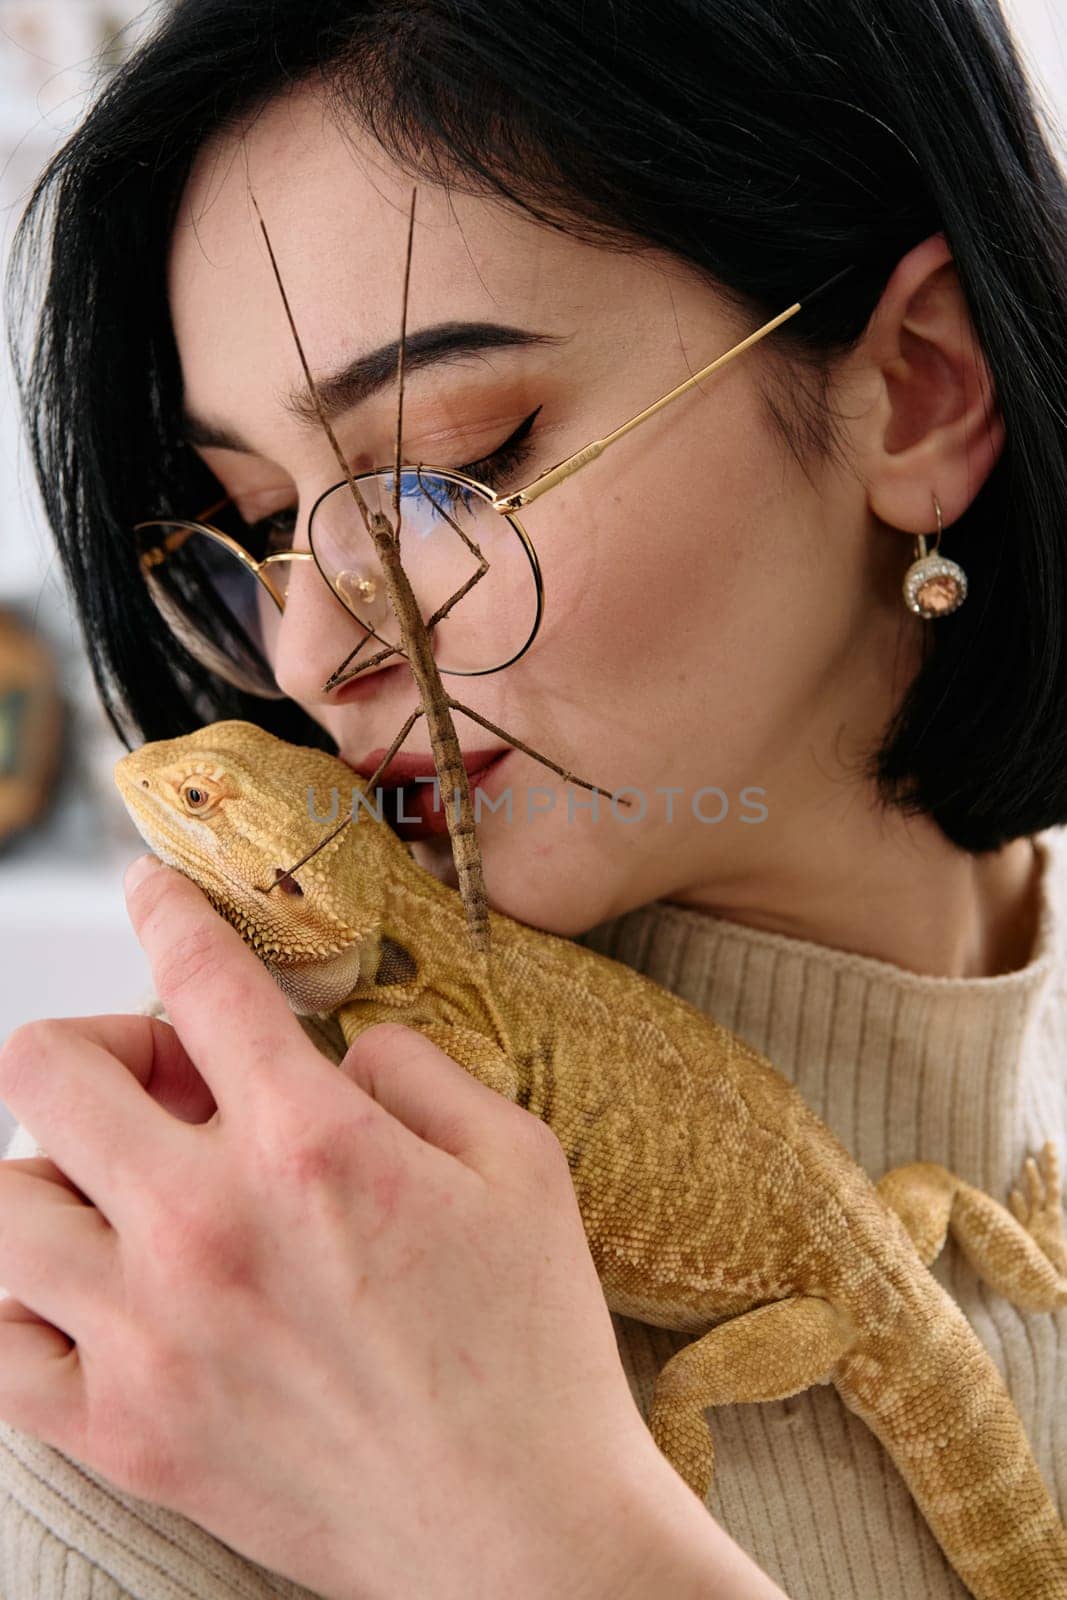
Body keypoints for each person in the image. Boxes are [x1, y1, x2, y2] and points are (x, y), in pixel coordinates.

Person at [0, 0, 1065, 1594]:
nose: (304, 650)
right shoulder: (201, 1358)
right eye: (257, 521)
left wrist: (558, 1543)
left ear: (914, 387)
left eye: (447, 465)